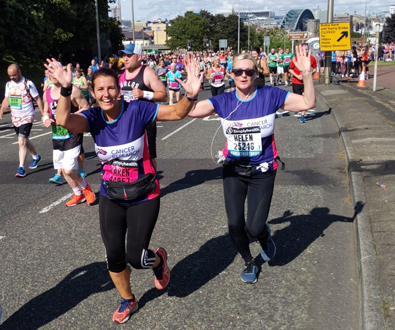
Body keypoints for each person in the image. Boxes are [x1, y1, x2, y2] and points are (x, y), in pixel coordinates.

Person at [44, 52, 202, 323]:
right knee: (114, 257)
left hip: (144, 193)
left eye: (111, 88)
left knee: (138, 258)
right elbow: (64, 121)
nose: (106, 94)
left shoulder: (137, 110)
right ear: (93, 94)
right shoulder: (93, 117)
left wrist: (190, 95)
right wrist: (66, 90)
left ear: (120, 90)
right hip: (112, 195)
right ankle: (128, 299)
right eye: (100, 90)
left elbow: (176, 113)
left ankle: (159, 262)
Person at [188, 45, 316, 284]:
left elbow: (308, 102)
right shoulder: (224, 100)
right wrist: (190, 94)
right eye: (238, 71)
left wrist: (307, 74)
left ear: (256, 73)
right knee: (235, 224)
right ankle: (248, 260)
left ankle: (264, 237)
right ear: (231, 74)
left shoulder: (270, 96)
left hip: (262, 171)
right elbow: (190, 111)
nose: (243, 75)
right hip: (233, 170)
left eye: (248, 71)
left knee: (254, 229)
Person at [42, 70, 95, 206]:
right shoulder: (47, 93)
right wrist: (46, 119)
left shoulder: (73, 90)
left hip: (72, 133)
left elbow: (86, 107)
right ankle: (78, 194)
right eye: (50, 74)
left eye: (55, 73)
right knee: (62, 167)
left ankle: (86, 188)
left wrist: (69, 117)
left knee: (68, 169)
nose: (52, 76)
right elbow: (46, 112)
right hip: (57, 134)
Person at [118, 44, 167, 168]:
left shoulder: (148, 73)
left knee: (148, 157)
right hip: (126, 121)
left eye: (129, 55)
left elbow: (163, 95)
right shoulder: (121, 75)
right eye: (124, 56)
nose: (126, 58)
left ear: (139, 57)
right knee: (126, 156)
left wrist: (143, 94)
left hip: (145, 122)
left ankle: (152, 183)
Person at [0, 63, 43, 177]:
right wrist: (2, 110)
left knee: (21, 141)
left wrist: (44, 114)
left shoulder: (28, 84)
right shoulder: (8, 84)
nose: (12, 77)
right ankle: (36, 157)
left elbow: (37, 99)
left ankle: (21, 168)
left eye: (14, 75)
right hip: (15, 117)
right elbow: (7, 98)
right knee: (24, 139)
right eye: (10, 75)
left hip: (27, 116)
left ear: (19, 72)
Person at [289, 43, 317, 123]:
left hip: (306, 82)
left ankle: (302, 115)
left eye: (306, 49)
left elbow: (315, 69)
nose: (305, 51)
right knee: (298, 98)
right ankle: (298, 108)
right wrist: (297, 76)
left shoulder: (311, 58)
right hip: (296, 81)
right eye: (303, 50)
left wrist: (309, 73)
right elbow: (290, 69)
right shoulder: (296, 58)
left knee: (305, 98)